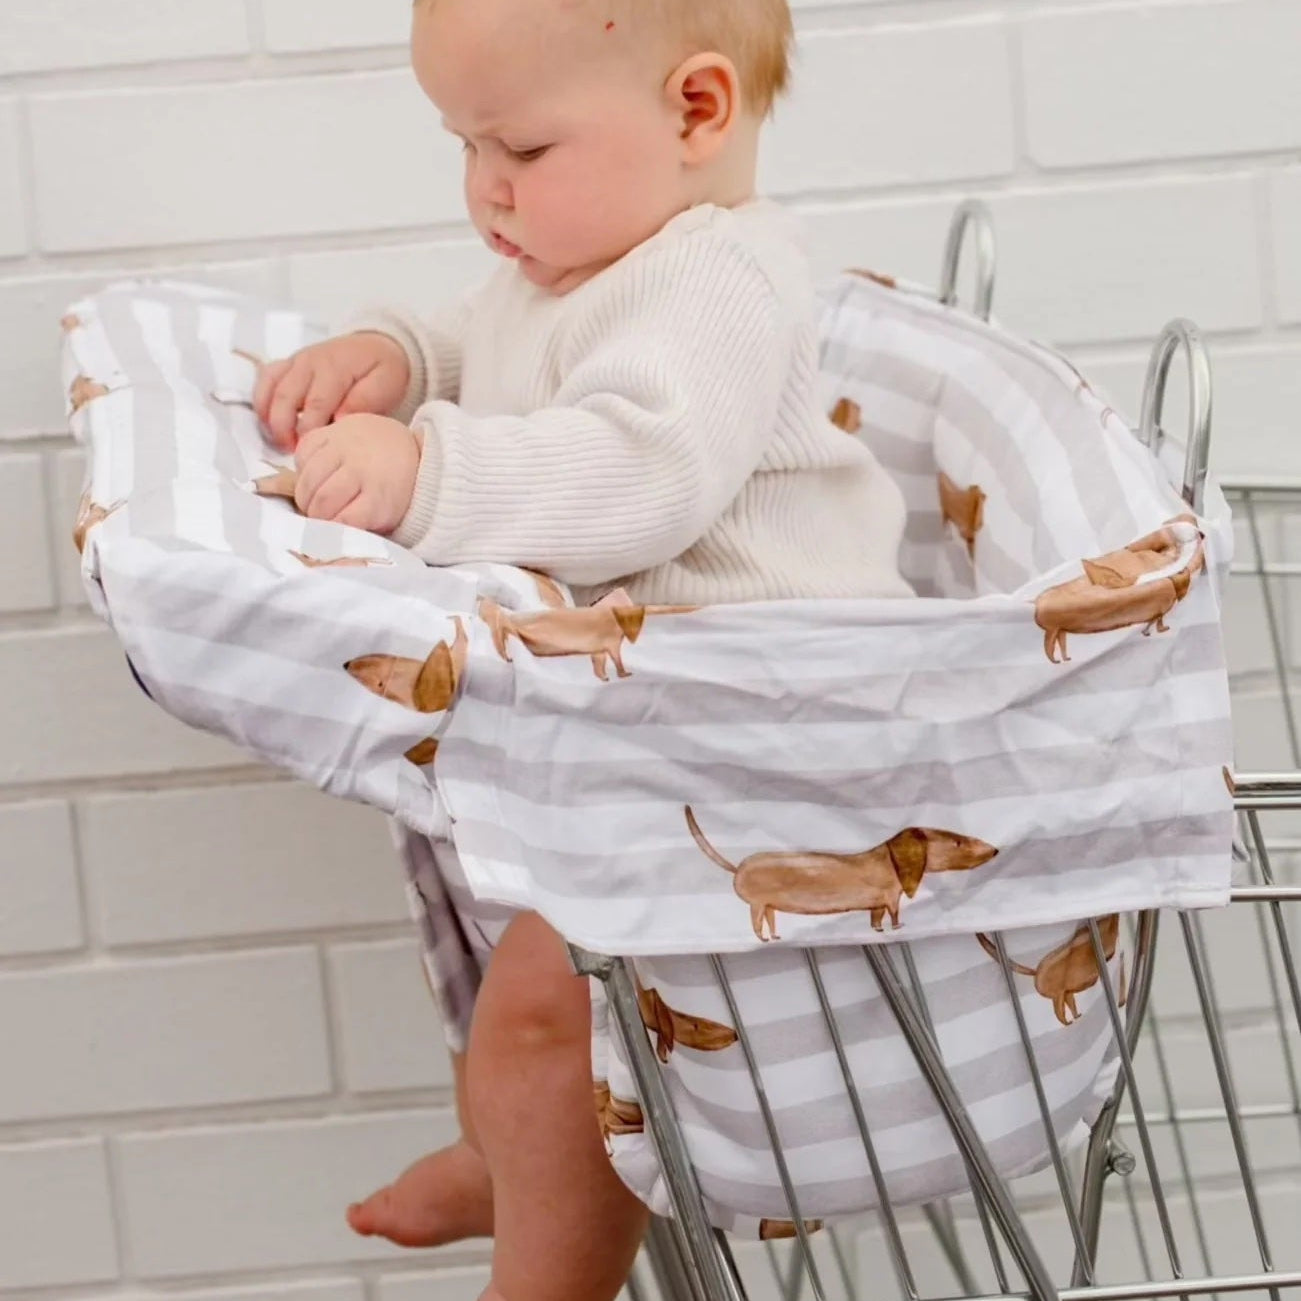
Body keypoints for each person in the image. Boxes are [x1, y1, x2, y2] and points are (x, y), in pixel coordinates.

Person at [252, 1, 912, 1297]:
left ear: (696, 111)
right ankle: (505, 1159)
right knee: (497, 933)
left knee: (554, 1000)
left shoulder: (714, 280)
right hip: (647, 727)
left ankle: (543, 1270)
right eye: (465, 145)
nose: (485, 187)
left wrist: (424, 471)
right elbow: (489, 342)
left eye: (522, 149)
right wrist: (393, 358)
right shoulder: (579, 264)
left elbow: (636, 470)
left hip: (771, 745)